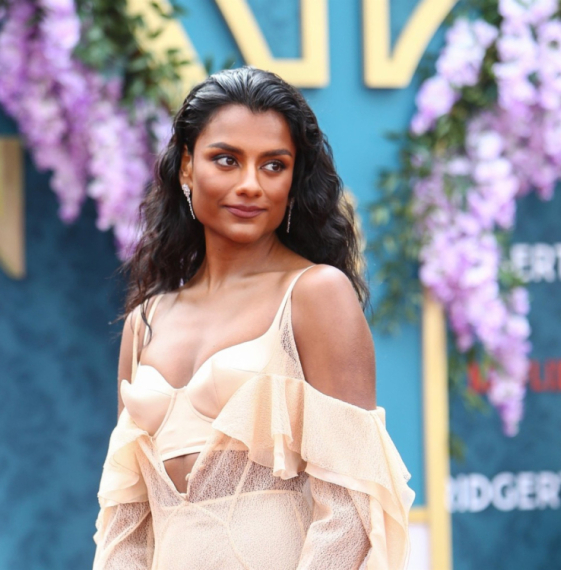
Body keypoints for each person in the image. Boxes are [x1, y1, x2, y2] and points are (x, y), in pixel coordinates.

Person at [93, 66, 414, 570]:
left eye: (273, 165)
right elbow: (126, 525)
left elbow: (351, 516)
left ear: (293, 180)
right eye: (227, 160)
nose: (250, 185)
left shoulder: (315, 295)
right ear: (186, 167)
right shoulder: (144, 322)